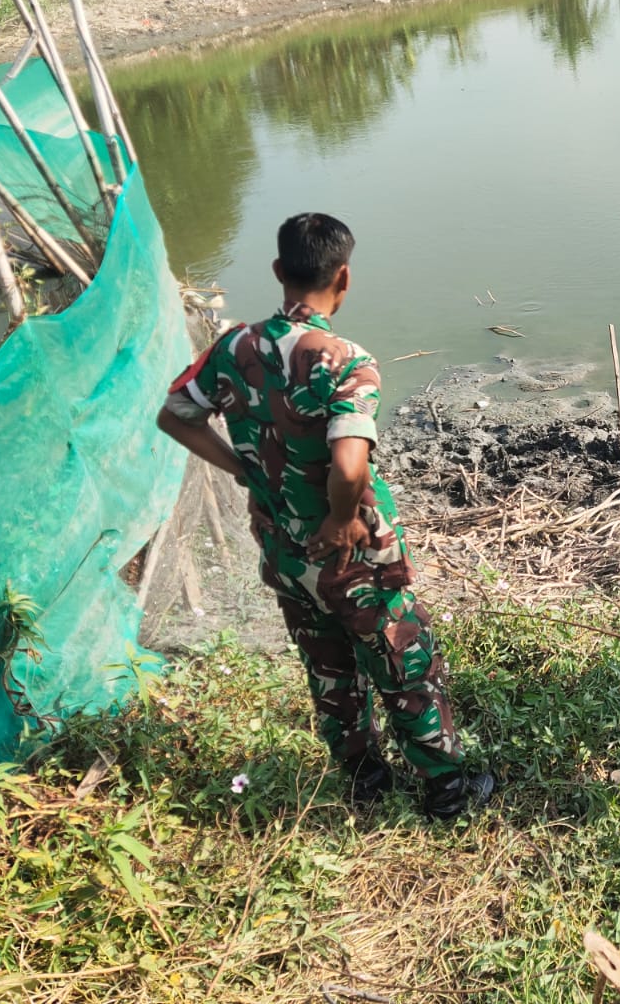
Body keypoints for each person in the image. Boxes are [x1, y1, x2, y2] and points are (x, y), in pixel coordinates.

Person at [156, 213, 492, 818]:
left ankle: (365, 781)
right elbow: (349, 463)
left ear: (280, 272)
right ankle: (448, 790)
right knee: (404, 658)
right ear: (344, 277)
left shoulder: (233, 347)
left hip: (285, 550)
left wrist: (245, 470)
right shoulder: (344, 361)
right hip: (351, 557)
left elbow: (176, 414)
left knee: (329, 670)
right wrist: (340, 519)